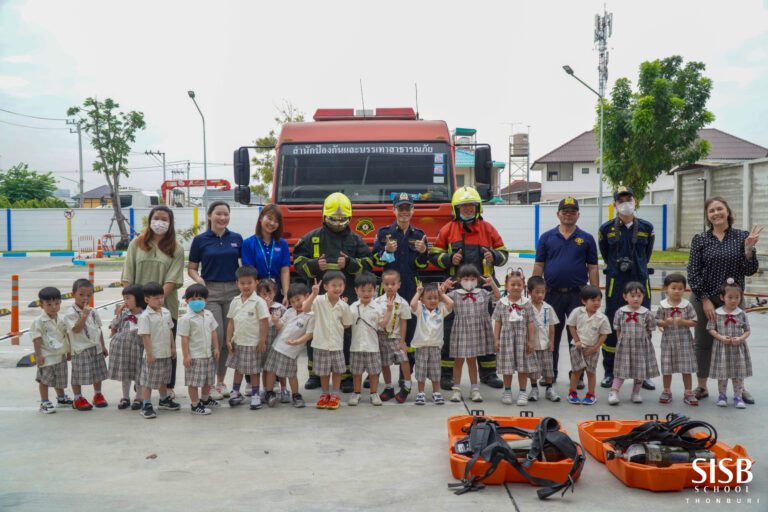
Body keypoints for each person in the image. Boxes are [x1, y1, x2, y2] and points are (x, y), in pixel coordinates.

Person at [293, 192, 373, 392]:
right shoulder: (312, 238)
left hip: (346, 295)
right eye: (333, 219)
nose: (338, 223)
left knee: (345, 332)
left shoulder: (355, 239)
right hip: (318, 295)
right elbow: (297, 261)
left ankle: (346, 376)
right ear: (324, 216)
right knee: (315, 332)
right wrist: (312, 265)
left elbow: (370, 263)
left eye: (342, 219)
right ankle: (315, 374)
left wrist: (350, 263)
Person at [430, 186, 508, 391]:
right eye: (463, 206)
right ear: (457, 209)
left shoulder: (488, 228)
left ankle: (489, 373)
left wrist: (494, 255)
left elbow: (504, 253)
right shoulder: (447, 229)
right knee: (449, 332)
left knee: (485, 331)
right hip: (455, 290)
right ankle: (446, 375)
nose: (468, 209)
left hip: (483, 288)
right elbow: (434, 256)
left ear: (478, 207)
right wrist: (448, 258)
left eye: (471, 206)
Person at [687, 197, 761, 403]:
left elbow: (750, 269)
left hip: (733, 299)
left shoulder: (742, 237)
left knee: (735, 343)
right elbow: (693, 272)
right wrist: (704, 300)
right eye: (711, 211)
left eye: (720, 209)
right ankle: (701, 386)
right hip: (705, 297)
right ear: (708, 216)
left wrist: (748, 249)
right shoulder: (700, 239)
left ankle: (740, 388)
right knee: (703, 343)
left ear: (727, 211)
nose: (716, 213)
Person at [532, 196, 599, 389]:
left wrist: (594, 295)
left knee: (578, 338)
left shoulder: (586, 238)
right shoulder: (547, 237)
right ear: (558, 214)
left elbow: (593, 267)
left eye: (572, 212)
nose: (568, 215)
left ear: (578, 215)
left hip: (577, 296)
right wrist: (534, 292)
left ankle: (577, 375)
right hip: (551, 295)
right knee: (549, 335)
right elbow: (539, 265)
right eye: (565, 211)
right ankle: (548, 373)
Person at [122, 205, 185, 398]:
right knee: (141, 347)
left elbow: (172, 281)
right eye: (156, 218)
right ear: (150, 220)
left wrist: (156, 302)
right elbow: (127, 275)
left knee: (167, 347)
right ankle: (142, 383)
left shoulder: (177, 248)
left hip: (166, 306)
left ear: (170, 223)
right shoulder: (137, 243)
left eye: (165, 219)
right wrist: (135, 303)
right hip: (139, 308)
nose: (160, 222)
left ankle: (168, 386)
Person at [598, 187, 656, 391]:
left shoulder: (647, 228)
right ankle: (609, 372)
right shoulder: (606, 229)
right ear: (615, 204)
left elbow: (646, 254)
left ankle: (644, 374)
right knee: (613, 326)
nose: (625, 203)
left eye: (628, 199)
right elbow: (605, 254)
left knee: (644, 327)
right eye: (620, 200)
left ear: (635, 200)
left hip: (640, 281)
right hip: (617, 283)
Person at [188, 201, 243, 401]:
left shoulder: (236, 238)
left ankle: (221, 382)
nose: (222, 218)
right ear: (210, 215)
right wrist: (199, 281)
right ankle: (208, 382)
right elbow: (192, 267)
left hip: (233, 291)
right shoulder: (200, 240)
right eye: (218, 214)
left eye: (226, 214)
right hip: (210, 292)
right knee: (215, 337)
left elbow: (244, 265)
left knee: (228, 340)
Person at [372, 192, 429, 377]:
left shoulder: (419, 235)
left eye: (408, 208)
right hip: (389, 286)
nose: (404, 212)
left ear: (413, 211)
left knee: (409, 326)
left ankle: (407, 372)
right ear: (394, 210)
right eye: (400, 208)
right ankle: (379, 371)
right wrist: (386, 251)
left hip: (411, 287)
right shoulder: (384, 233)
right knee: (383, 326)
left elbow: (422, 265)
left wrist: (422, 252)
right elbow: (375, 261)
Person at [446, 264, 501, 404]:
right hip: (460, 331)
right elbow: (440, 298)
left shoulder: (482, 293)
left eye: (472, 278)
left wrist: (492, 283)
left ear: (477, 279)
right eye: (466, 278)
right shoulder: (455, 294)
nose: (469, 281)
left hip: (476, 333)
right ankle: (456, 390)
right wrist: (443, 287)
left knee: (472, 361)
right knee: (458, 361)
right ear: (459, 280)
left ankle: (474, 389)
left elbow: (497, 296)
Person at [302, 271, 354, 410]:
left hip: (336, 344)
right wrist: (313, 293)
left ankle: (335, 394)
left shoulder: (344, 306)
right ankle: (325, 394)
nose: (337, 288)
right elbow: (305, 308)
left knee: (337, 371)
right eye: (334, 285)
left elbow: (347, 324)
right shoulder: (318, 300)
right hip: (321, 344)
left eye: (340, 285)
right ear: (325, 286)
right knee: (324, 372)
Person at [263, 283, 315, 408]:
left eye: (299, 299)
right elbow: (281, 325)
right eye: (293, 301)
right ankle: (269, 393)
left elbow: (309, 334)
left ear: (307, 296)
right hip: (277, 346)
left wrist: (298, 342)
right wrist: (276, 321)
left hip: (291, 351)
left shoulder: (311, 316)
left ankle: (296, 395)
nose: (296, 303)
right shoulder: (290, 311)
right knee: (270, 370)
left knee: (291, 374)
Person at [225, 265, 270, 410]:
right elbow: (231, 321)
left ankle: (256, 395)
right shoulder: (235, 301)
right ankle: (235, 392)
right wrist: (228, 339)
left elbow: (264, 322)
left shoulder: (259, 302)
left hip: (253, 343)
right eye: (242, 283)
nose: (246, 286)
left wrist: (262, 340)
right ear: (237, 283)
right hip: (238, 342)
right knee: (238, 369)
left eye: (249, 282)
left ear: (256, 282)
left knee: (254, 371)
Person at [608, 281, 659, 406]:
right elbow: (617, 329)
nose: (636, 298)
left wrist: (644, 342)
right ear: (625, 297)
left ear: (643, 297)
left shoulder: (646, 313)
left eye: (639, 296)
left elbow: (650, 329)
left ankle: (636, 392)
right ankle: (614, 392)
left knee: (639, 370)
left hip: (642, 346)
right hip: (625, 346)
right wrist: (621, 342)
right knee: (621, 369)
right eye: (632, 296)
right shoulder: (620, 312)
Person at [493, 270, 536, 406]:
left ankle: (523, 392)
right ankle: (507, 391)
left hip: (522, 340)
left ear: (523, 286)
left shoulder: (527, 303)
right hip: (506, 340)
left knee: (523, 367)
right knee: (507, 367)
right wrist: (496, 339)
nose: (516, 287)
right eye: (513, 284)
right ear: (506, 286)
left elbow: (530, 322)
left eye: (519, 284)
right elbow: (498, 322)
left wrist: (531, 340)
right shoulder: (502, 303)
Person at [137, 282, 180, 419]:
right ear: (147, 300)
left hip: (165, 353)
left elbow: (170, 331)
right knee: (148, 381)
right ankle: (147, 404)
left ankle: (163, 399)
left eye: (161, 297)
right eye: (156, 298)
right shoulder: (145, 316)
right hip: (153, 354)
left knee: (164, 378)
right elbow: (145, 336)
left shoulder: (166, 312)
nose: (160, 300)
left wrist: (173, 347)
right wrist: (149, 354)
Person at [65, 279, 109, 411]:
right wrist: (83, 315)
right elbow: (76, 329)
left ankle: (97, 394)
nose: (85, 298)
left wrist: (103, 345)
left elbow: (98, 329)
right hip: (80, 349)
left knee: (97, 372)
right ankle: (78, 398)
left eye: (89, 295)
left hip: (95, 347)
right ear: (73, 294)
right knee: (78, 374)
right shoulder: (70, 313)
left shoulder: (93, 311)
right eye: (81, 294)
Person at [707, 279, 752, 409]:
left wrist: (741, 338)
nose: (733, 300)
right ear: (722, 297)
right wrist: (720, 337)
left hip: (738, 348)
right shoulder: (716, 313)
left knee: (738, 373)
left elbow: (747, 330)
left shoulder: (741, 313)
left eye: (737, 297)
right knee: (723, 373)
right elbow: (710, 328)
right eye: (730, 297)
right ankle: (722, 396)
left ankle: (738, 396)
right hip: (722, 348)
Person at [349, 272, 391, 406]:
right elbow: (346, 323)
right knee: (356, 372)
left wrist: (389, 311)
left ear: (375, 290)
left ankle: (374, 393)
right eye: (363, 290)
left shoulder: (379, 307)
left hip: (373, 346)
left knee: (373, 373)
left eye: (370, 290)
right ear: (356, 290)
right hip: (356, 346)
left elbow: (382, 325)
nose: (366, 293)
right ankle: (356, 393)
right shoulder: (352, 307)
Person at [656, 273, 698, 406]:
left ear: (684, 290)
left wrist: (684, 321)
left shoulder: (687, 305)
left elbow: (695, 322)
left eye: (680, 288)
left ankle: (688, 391)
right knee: (667, 367)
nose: (677, 291)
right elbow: (657, 321)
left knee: (686, 368)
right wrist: (665, 322)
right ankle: (667, 390)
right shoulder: (663, 305)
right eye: (673, 288)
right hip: (668, 342)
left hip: (685, 341)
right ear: (666, 289)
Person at [566, 285, 612, 405]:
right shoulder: (577, 312)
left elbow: (604, 335)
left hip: (593, 349)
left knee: (591, 372)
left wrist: (595, 348)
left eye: (599, 300)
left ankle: (591, 394)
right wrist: (576, 340)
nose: (596, 303)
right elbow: (571, 326)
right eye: (593, 300)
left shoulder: (602, 318)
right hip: (577, 348)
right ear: (583, 301)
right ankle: (572, 392)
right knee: (576, 371)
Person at [178, 284, 220, 415]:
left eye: (200, 299)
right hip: (195, 356)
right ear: (187, 301)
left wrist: (217, 348)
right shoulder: (186, 319)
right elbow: (184, 338)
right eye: (193, 299)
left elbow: (213, 332)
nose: (197, 302)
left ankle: (205, 400)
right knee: (194, 382)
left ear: (206, 300)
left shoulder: (208, 314)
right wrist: (186, 356)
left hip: (208, 355)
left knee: (208, 380)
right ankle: (195, 405)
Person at [409, 282, 453, 405]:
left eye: (435, 298)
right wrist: (418, 292)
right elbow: (412, 304)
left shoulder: (441, 309)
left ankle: (436, 393)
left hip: (435, 347)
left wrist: (442, 294)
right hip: (421, 346)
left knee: (435, 371)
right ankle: (421, 393)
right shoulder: (419, 309)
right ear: (422, 300)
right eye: (429, 298)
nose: (433, 300)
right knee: (421, 371)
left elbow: (451, 303)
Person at [374, 269, 413, 403]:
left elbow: (403, 323)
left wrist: (402, 341)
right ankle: (389, 387)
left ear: (399, 285)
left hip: (396, 337)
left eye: (393, 283)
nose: (390, 286)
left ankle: (407, 385)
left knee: (404, 359)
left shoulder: (403, 302)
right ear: (382, 285)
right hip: (382, 337)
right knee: (385, 363)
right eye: (386, 284)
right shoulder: (377, 302)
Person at [31, 287, 72, 414]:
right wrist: (38, 356)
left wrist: (69, 350)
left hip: (60, 355)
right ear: (41, 305)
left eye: (57, 303)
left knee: (59, 379)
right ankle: (44, 402)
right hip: (47, 356)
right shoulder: (39, 321)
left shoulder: (61, 319)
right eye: (49, 304)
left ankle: (61, 398)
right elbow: (36, 339)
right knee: (45, 380)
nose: (53, 307)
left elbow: (67, 335)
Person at [242, 203, 291, 302]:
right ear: (261, 218)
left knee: (276, 317)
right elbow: (250, 273)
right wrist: (254, 296)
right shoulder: (248, 243)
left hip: (276, 291)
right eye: (269, 218)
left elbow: (285, 270)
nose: (272, 223)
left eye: (276, 221)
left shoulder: (282, 243)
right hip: (257, 292)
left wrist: (286, 294)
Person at [108, 285, 146, 411]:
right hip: (123, 350)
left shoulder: (145, 314)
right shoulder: (124, 313)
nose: (125, 302)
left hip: (138, 349)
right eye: (124, 299)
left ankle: (139, 397)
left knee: (139, 373)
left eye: (128, 298)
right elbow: (113, 325)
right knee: (125, 374)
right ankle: (125, 397)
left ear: (138, 298)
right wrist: (118, 314)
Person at [526, 276, 561, 402]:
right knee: (533, 369)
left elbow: (551, 326)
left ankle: (549, 388)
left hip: (545, 344)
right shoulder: (526, 307)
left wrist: (552, 341)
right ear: (529, 292)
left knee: (548, 368)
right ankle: (534, 388)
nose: (540, 295)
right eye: (537, 292)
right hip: (533, 344)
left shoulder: (548, 308)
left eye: (543, 292)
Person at [257, 278, 288, 401]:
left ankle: (284, 388)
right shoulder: (257, 307)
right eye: (263, 294)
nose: (267, 297)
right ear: (259, 294)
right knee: (266, 367)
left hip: (277, 340)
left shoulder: (280, 308)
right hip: (264, 341)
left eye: (269, 293)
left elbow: (286, 324)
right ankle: (266, 390)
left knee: (280, 367)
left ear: (275, 293)